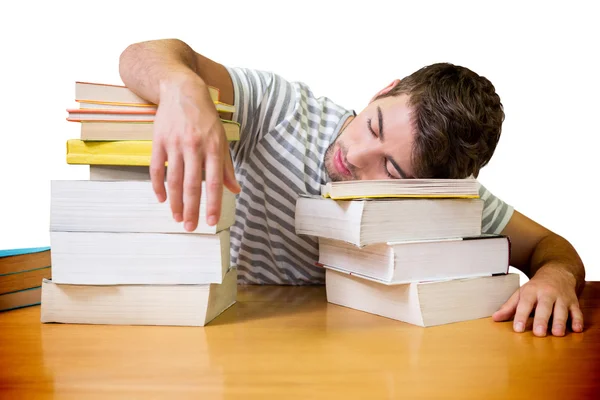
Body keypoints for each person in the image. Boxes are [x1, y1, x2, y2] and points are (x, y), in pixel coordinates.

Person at [118, 38, 585, 337]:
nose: (355, 155)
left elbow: (550, 247)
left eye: (392, 170)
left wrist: (556, 277)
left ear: (429, 189)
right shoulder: (284, 111)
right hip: (229, 327)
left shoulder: (446, 200)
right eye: (375, 125)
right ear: (385, 89)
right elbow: (142, 54)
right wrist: (184, 88)